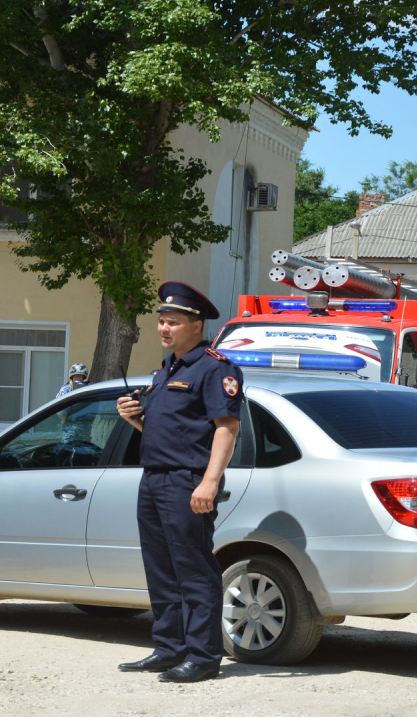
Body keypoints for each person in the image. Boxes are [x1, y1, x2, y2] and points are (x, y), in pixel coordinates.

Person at [116, 281, 243, 684]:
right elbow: (162, 428)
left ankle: (203, 657)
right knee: (161, 569)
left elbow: (227, 428)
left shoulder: (214, 367)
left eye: (172, 322)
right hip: (154, 479)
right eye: (161, 321)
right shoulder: (166, 370)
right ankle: (169, 648)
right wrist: (132, 416)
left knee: (193, 570)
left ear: (196, 325)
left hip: (187, 482)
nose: (164, 328)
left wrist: (209, 482)